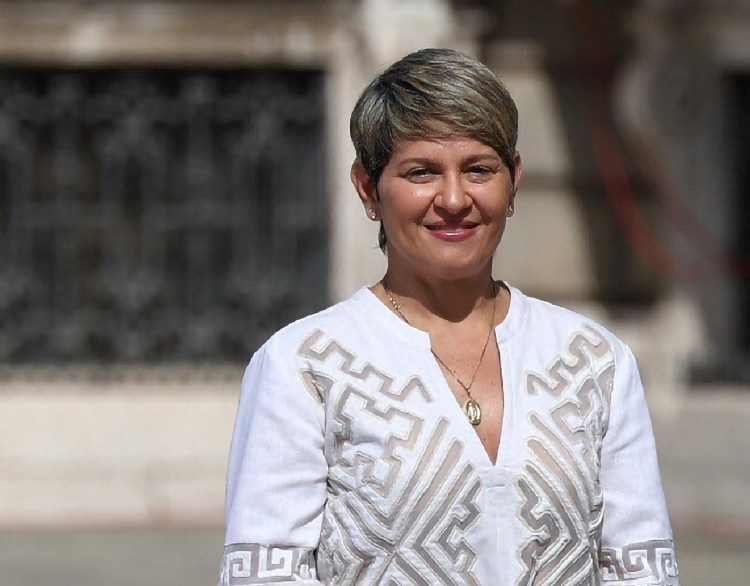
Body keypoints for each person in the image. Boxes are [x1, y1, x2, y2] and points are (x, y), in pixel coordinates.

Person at [219, 48, 679, 585]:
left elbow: (642, 567)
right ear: (368, 188)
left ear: (513, 180)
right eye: (421, 172)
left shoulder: (594, 360)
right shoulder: (305, 366)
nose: (455, 199)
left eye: (479, 169)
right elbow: (264, 572)